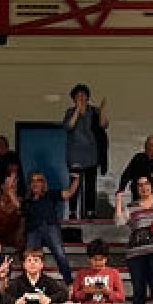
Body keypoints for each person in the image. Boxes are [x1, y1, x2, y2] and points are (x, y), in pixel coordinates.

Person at [115, 176, 153, 304]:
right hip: (136, 254)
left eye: (146, 184)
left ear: (152, 186)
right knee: (139, 291)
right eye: (140, 185)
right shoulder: (131, 207)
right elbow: (119, 221)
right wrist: (119, 199)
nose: (144, 187)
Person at [22, 172, 80, 285]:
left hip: (50, 227)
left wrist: (76, 180)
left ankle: (69, 284)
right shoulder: (27, 201)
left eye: (38, 180)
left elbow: (68, 193)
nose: (35, 183)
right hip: (33, 230)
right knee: (30, 257)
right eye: (33, 180)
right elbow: (17, 206)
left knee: (60, 254)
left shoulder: (50, 194)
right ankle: (31, 285)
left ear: (43, 183)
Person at [63, 84, 109, 219]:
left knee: (90, 183)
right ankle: (72, 211)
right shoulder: (70, 112)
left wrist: (102, 110)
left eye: (83, 95)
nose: (81, 98)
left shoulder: (94, 111)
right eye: (78, 96)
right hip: (75, 154)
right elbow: (68, 126)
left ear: (88, 97)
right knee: (74, 183)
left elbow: (104, 125)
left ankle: (90, 211)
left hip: (91, 154)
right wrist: (77, 110)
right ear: (73, 98)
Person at [2, 249, 68, 304]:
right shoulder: (17, 282)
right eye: (29, 260)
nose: (32, 263)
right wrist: (15, 302)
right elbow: (5, 297)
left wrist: (49, 299)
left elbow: (63, 294)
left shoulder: (48, 281)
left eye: (36, 260)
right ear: (24, 265)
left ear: (41, 265)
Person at [70, 238, 125, 304]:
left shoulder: (113, 273)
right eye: (95, 259)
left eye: (101, 259)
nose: (98, 263)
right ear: (89, 259)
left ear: (106, 258)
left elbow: (121, 297)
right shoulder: (81, 273)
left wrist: (108, 292)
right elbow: (74, 298)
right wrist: (86, 292)